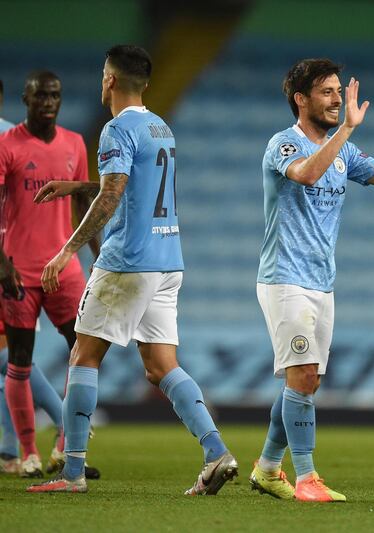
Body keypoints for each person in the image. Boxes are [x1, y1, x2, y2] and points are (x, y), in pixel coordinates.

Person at [27, 44, 237, 495]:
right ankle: (216, 451)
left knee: (83, 356)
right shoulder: (161, 128)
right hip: (167, 262)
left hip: (128, 261)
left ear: (110, 80)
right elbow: (131, 187)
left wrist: (66, 251)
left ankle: (72, 475)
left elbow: (113, 194)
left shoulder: (115, 130)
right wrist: (79, 185)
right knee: (161, 366)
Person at [250, 58, 374, 503]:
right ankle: (306, 479)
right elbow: (308, 173)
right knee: (302, 375)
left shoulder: (344, 152)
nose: (337, 99)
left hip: (322, 282)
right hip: (284, 278)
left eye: (339, 91)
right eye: (327, 92)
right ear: (301, 99)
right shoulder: (284, 145)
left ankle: (267, 468)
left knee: (307, 381)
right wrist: (347, 129)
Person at [0, 71, 100, 478]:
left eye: (54, 96)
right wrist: (2, 263)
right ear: (26, 98)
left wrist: (96, 254)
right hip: (18, 269)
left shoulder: (74, 143)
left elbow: (85, 202)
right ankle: (27, 453)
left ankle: (66, 446)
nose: (48, 102)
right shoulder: (7, 144)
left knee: (86, 351)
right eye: (40, 96)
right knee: (18, 361)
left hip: (65, 267)